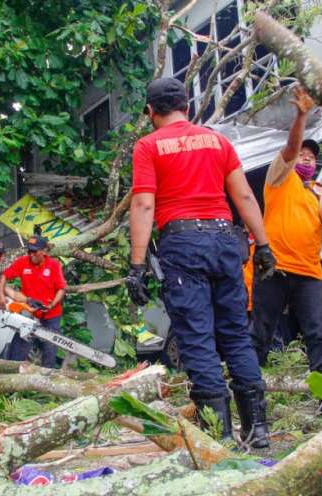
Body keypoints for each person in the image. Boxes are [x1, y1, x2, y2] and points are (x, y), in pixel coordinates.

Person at [126, 77, 276, 448]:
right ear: (187, 107)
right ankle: (257, 431)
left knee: (197, 339)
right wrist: (264, 244)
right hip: (226, 239)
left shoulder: (148, 146)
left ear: (150, 112)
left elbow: (144, 203)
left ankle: (218, 435)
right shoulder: (217, 140)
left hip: (183, 242)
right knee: (237, 335)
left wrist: (137, 263)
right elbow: (242, 194)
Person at [251, 86, 322, 402]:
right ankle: (250, 394)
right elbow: (291, 147)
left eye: (312, 158)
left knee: (319, 335)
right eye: (303, 155)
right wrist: (302, 115)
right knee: (261, 334)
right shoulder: (280, 178)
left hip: (309, 272)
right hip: (273, 267)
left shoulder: (318, 191)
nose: (306, 159)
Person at [0, 235, 66, 368]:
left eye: (34, 251)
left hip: (51, 315)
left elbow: (61, 289)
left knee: (50, 349)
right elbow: (4, 275)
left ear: (44, 251)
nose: (31, 254)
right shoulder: (23, 262)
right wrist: (1, 294)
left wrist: (51, 305)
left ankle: (47, 379)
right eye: (29, 251)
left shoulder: (54, 265)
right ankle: (12, 375)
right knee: (20, 347)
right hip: (30, 313)